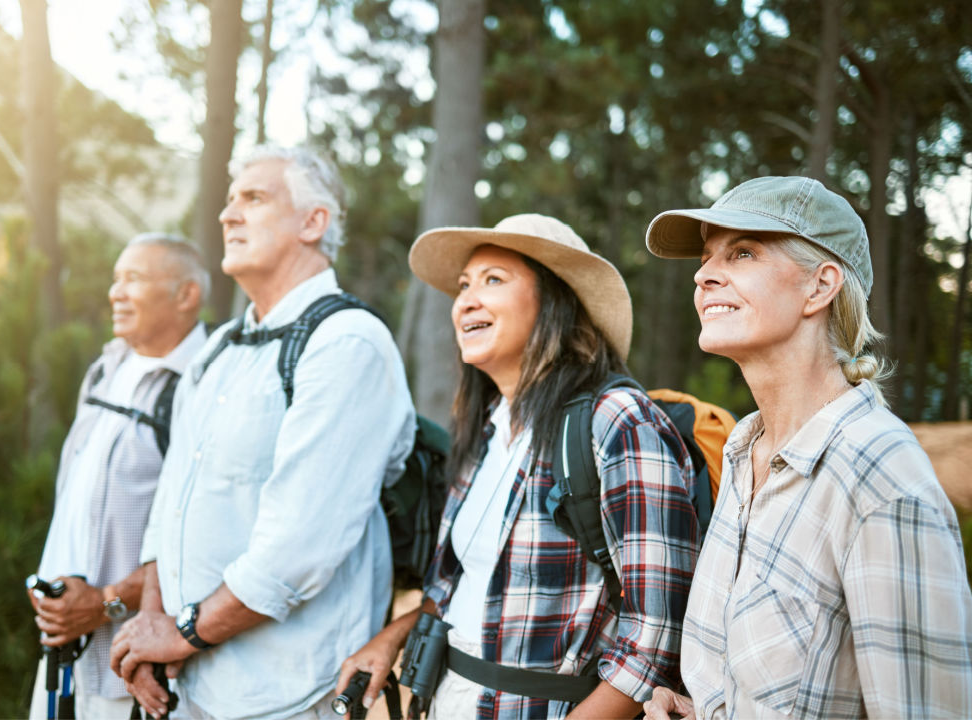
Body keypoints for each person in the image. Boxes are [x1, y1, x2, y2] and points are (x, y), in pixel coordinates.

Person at [336, 214, 699, 720]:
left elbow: (656, 637)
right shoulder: (485, 428)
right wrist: (393, 638)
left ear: (557, 303)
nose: (465, 300)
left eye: (494, 280)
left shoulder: (617, 420)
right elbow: (457, 583)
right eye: (464, 285)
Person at [641, 176, 972, 719]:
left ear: (820, 287)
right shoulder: (741, 451)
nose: (702, 275)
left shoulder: (879, 474)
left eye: (742, 253)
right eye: (705, 259)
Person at [108, 145, 416, 720]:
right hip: (191, 688)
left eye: (253, 198)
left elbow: (298, 547)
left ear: (313, 222)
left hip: (285, 693)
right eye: (228, 201)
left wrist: (180, 634)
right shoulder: (219, 348)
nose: (228, 215)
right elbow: (170, 505)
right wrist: (152, 623)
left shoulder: (347, 343)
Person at [27, 233, 210, 718]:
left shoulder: (203, 385)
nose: (116, 293)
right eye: (115, 279)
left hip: (133, 673)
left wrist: (107, 602)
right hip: (59, 659)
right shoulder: (105, 369)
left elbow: (195, 531)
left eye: (135, 279)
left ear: (186, 295)